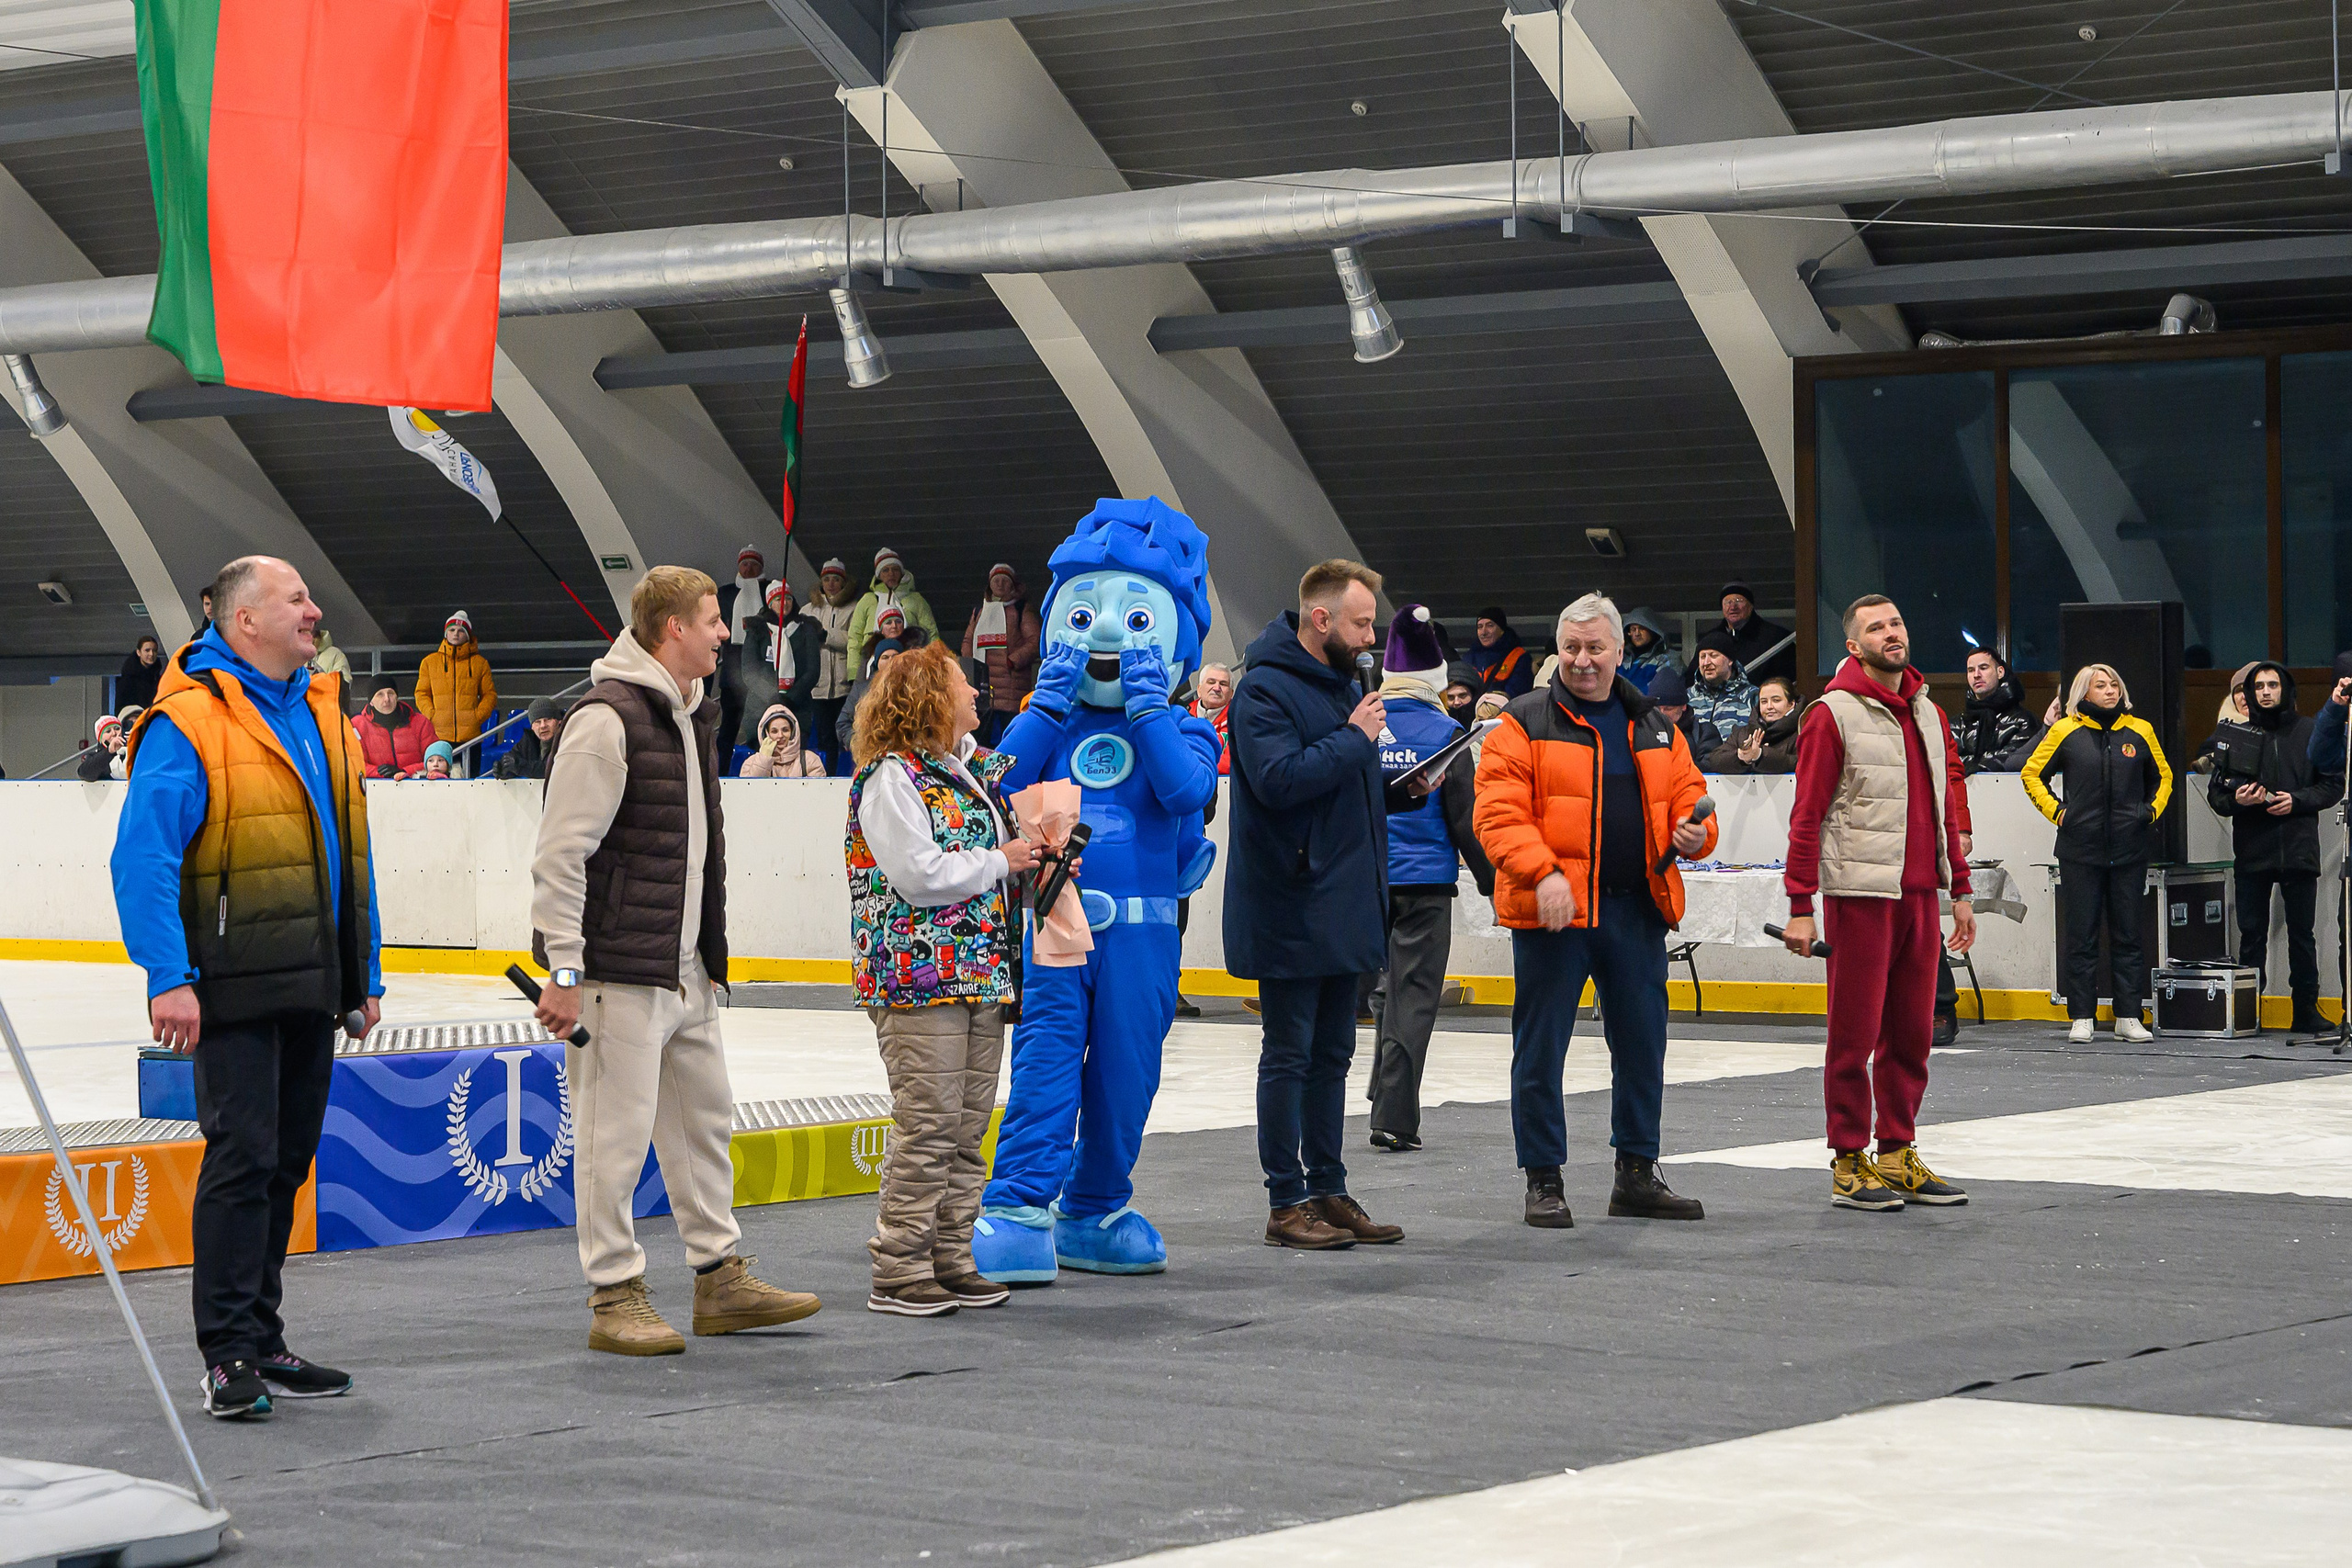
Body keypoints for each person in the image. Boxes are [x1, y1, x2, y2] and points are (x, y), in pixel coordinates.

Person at [110, 555, 382, 1418]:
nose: (315, 609)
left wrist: (364, 971)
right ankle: (226, 1351)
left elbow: (353, 855)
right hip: (228, 980)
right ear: (244, 622)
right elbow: (142, 857)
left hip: (312, 975)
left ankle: (263, 1337)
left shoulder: (325, 712)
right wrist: (168, 975)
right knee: (243, 1158)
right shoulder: (185, 721)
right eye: (296, 598)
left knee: (288, 1160)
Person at [529, 565, 818, 1356]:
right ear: (672, 630)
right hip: (614, 970)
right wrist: (562, 969)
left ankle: (717, 1275)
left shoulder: (689, 714)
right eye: (712, 618)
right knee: (611, 1136)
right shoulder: (606, 718)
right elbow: (560, 855)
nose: (725, 632)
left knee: (704, 1120)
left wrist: (701, 960)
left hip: (681, 965)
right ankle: (613, 1292)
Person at [970, 498, 1224, 1282]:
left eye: (1137, 618)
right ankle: (1015, 1205)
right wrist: (1043, 703)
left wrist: (1150, 707)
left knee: (1127, 1070)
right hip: (1057, 915)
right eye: (1084, 614)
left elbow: (1185, 793)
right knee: (1046, 1060)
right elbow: (994, 783)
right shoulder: (1052, 725)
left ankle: (1093, 1205)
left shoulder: (1184, 728)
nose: (1108, 632)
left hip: (1145, 930)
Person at [1475, 594, 1715, 1226]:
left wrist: (1695, 837)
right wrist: (1545, 871)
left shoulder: (1657, 726)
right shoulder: (1520, 722)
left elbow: (1691, 797)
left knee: (1642, 1046)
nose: (1583, 661)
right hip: (1554, 916)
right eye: (1572, 648)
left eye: (1596, 648)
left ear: (1617, 652)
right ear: (1559, 651)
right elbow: (1497, 817)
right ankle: (1543, 1178)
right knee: (1540, 1049)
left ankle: (1636, 1171)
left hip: (1636, 911)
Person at [1226, 558, 1419, 1251]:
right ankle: (1286, 1199)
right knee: (1289, 1053)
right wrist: (1354, 738)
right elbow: (1278, 781)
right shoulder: (1264, 693)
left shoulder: (1344, 685)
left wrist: (1401, 789)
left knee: (1334, 1053)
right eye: (1363, 623)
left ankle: (1328, 1187)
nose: (1372, 637)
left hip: (1345, 902)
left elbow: (1336, 785)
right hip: (1293, 904)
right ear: (1321, 619)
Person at [845, 641, 1038, 1315]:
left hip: (980, 974)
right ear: (929, 694)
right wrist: (1000, 859)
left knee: (964, 1127)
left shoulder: (963, 773)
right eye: (963, 682)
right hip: (915, 979)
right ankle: (899, 1266)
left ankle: (950, 1255)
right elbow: (917, 873)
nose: (976, 692)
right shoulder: (889, 777)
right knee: (927, 1124)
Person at [1781, 595, 1976, 1213]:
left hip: (1919, 894)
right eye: (1875, 627)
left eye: (1895, 621)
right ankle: (1846, 1159)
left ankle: (1895, 1150)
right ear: (1853, 645)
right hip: (1859, 896)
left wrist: (1962, 890)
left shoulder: (1927, 711)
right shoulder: (1830, 714)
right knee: (1854, 1034)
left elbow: (1946, 808)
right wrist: (1800, 904)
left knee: (1912, 1035)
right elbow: (1806, 817)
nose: (1891, 632)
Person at [1366, 605, 1495, 1154]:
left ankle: (1380, 1092)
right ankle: (1394, 1115)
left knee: (1383, 992)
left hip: (1369, 881)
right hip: (1425, 883)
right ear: (1436, 681)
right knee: (1414, 997)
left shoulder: (1362, 724)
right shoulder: (1447, 733)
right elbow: (1465, 820)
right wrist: (1493, 881)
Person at [2022, 663, 2174, 1045]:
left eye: (2114, 685)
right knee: (2081, 936)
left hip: (2129, 849)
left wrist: (2148, 812)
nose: (2110, 691)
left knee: (2129, 935)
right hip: (2080, 850)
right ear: (2083, 694)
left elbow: (2164, 777)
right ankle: (2082, 1016)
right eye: (2100, 685)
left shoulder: (2140, 731)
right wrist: (2059, 812)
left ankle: (2128, 1015)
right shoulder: (2065, 731)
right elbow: (2031, 774)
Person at [2209, 663, 2338, 1032]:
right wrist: (2241, 801)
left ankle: (2306, 1011)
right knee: (2251, 934)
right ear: (2249, 692)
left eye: (2273, 684)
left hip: (2298, 849)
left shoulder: (2310, 731)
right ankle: (2249, 1014)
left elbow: (2332, 785)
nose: (2266, 691)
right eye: (2259, 686)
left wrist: (2296, 801)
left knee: (2302, 933)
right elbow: (2217, 797)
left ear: (2286, 688)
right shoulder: (2235, 735)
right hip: (2253, 849)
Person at [961, 563, 1043, 747]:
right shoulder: (980, 610)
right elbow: (967, 640)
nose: (999, 584)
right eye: (995, 580)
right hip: (982, 686)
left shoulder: (1021, 609)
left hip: (1010, 689)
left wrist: (1012, 661)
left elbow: (1034, 641)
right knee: (982, 741)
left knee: (1008, 739)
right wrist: (970, 664)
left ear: (1013, 585)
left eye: (1004, 581)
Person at [741, 580, 822, 751]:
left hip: (798, 707)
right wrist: (773, 698)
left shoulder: (806, 629)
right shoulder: (757, 629)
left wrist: (789, 699)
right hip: (760, 707)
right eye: (779, 599)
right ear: (770, 603)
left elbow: (812, 671)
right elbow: (750, 672)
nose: (784, 603)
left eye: (788, 599)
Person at [415, 610, 495, 769]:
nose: (456, 634)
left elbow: (489, 695)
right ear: (446, 633)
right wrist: (432, 715)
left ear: (468, 635)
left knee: (470, 784)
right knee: (439, 781)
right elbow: (421, 693)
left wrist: (476, 717)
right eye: (451, 630)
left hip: (470, 737)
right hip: (438, 735)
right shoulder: (429, 662)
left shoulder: (480, 663)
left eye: (460, 631)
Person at [845, 547, 941, 677]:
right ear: (879, 575)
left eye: (895, 569)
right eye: (886, 570)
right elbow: (854, 638)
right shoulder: (868, 600)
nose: (891, 574)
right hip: (872, 665)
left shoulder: (916, 600)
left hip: (910, 664)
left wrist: (936, 665)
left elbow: (931, 633)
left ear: (901, 572)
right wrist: (854, 672)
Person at [716, 546, 774, 752]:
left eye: (753, 565)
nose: (748, 569)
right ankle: (721, 774)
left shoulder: (770, 590)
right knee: (727, 728)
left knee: (762, 727)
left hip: (762, 672)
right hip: (732, 670)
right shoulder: (725, 593)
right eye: (744, 564)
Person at [1955, 648, 2041, 773]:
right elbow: (1945, 763)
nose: (1976, 675)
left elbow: (2011, 762)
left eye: (1983, 668)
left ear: (2000, 672)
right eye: (1971, 670)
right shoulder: (1955, 724)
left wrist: (1973, 764)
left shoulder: (2023, 722)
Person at [808, 558, 857, 772]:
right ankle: (826, 777)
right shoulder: (808, 610)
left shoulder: (853, 609)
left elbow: (855, 641)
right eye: (826, 579)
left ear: (843, 583)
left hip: (843, 684)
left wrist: (826, 635)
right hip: (818, 686)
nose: (831, 584)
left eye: (836, 579)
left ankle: (847, 777)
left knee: (846, 735)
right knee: (824, 737)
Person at [1693, 581, 1792, 683]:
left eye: (1739, 600)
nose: (1733, 607)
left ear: (1750, 606)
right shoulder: (1709, 640)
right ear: (1722, 607)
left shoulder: (1776, 637)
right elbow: (1691, 678)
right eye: (1728, 601)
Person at [1705, 674, 1802, 774]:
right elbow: (1715, 759)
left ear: (1791, 704)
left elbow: (1800, 763)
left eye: (1776, 700)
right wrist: (1741, 755)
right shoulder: (1742, 733)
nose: (1769, 706)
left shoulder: (1801, 733)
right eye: (1764, 702)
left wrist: (1760, 755)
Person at [351, 679, 437, 779]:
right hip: (376, 788)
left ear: (397, 697)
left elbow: (437, 760)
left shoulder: (421, 722)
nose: (387, 699)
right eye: (380, 694)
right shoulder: (357, 725)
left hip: (416, 786)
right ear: (371, 702)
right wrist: (380, 772)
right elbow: (354, 763)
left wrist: (404, 772)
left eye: (391, 693)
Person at [838, 637, 905, 758]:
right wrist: (859, 744)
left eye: (895, 656)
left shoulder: (913, 689)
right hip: (870, 757)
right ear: (877, 662)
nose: (891, 661)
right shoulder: (861, 689)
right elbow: (843, 723)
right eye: (885, 657)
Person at [1685, 633, 1758, 743]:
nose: (1706, 663)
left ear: (1730, 660)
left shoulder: (1752, 696)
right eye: (1702, 656)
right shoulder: (1687, 697)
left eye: (1713, 656)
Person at [1643, 666, 1721, 760]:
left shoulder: (1704, 734)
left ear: (1683, 706)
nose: (1662, 714)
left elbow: (1709, 766)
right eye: (1657, 709)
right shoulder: (1641, 733)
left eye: (1668, 708)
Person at [741, 703, 827, 778]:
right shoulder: (751, 763)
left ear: (793, 732)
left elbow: (818, 793)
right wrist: (764, 760)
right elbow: (751, 791)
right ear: (767, 734)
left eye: (785, 730)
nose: (780, 735)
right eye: (774, 731)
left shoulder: (810, 760)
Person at [491, 696, 566, 782]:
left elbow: (552, 768)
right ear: (532, 726)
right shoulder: (528, 740)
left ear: (559, 721)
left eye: (548, 720)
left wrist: (519, 767)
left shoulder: (567, 739)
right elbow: (514, 759)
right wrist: (503, 770)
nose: (543, 726)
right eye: (537, 722)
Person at [1465, 607, 1533, 699]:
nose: (1483, 632)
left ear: (1502, 630)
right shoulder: (1469, 658)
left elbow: (1517, 694)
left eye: (1490, 625)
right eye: (1480, 627)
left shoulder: (1518, 657)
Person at [1190, 660, 1235, 773]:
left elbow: (1231, 762)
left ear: (1231, 694)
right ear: (1199, 690)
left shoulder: (1238, 717)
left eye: (1223, 684)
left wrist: (1191, 767)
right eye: (1211, 682)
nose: (1217, 688)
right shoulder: (1184, 714)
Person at [1619, 608, 1676, 693]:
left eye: (1642, 628)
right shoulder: (1619, 658)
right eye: (1633, 629)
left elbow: (1662, 692)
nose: (1637, 633)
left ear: (1652, 630)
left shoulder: (1667, 659)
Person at [119, 634, 164, 713]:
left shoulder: (158, 677)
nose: (151, 654)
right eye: (147, 650)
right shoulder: (128, 679)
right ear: (138, 652)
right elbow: (121, 707)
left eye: (154, 650)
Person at [78, 714, 128, 781]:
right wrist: (109, 751)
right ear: (100, 739)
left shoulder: (132, 752)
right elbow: (84, 773)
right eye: (108, 731)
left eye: (117, 728)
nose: (114, 733)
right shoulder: (94, 756)